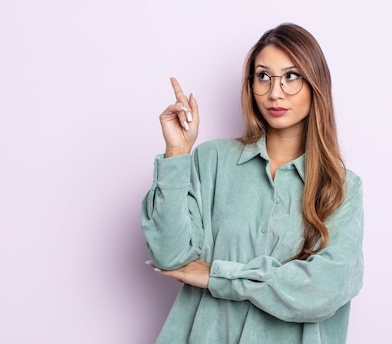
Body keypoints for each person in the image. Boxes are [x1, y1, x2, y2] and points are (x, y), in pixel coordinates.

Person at [141, 22, 364, 344]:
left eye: (291, 76)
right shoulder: (212, 160)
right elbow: (169, 256)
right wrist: (177, 152)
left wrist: (218, 275)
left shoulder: (341, 187)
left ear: (315, 84)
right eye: (263, 76)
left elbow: (325, 290)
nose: (275, 92)